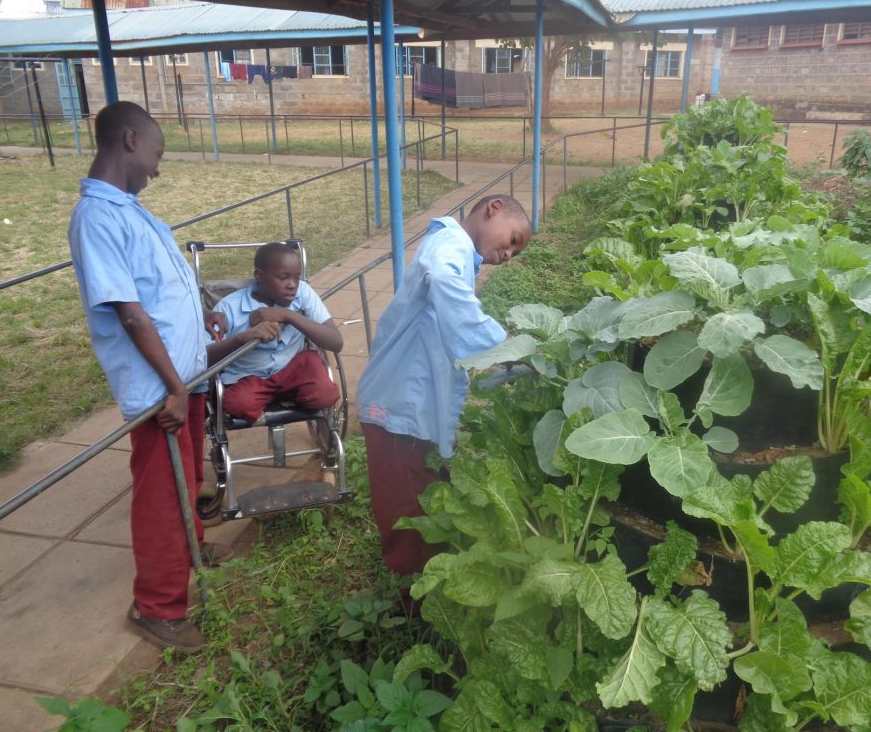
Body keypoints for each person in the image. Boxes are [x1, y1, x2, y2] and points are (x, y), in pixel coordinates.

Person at [69, 101, 229, 655]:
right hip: (161, 388)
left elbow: (160, 291)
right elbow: (130, 312)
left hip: (183, 376)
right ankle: (158, 607)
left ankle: (191, 550)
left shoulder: (133, 211)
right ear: (131, 140)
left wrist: (199, 313)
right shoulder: (97, 218)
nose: (158, 169)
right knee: (162, 495)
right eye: (158, 154)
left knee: (188, 476)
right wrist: (174, 387)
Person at [357, 195, 531, 579]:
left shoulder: (458, 253)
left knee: (425, 490)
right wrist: (504, 347)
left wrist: (508, 364)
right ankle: (415, 595)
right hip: (397, 408)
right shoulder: (451, 244)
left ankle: (428, 577)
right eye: (513, 240)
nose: (508, 255)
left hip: (410, 405)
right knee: (408, 507)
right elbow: (442, 278)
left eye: (515, 253)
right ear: (494, 208)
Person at [206, 243, 342, 425]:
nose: (292, 285)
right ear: (259, 276)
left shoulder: (303, 293)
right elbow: (204, 359)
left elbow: (336, 342)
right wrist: (241, 338)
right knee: (237, 404)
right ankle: (283, 397)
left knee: (325, 395)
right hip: (249, 375)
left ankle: (291, 394)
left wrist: (288, 315)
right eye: (283, 278)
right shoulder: (228, 308)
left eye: (297, 278)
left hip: (293, 367)